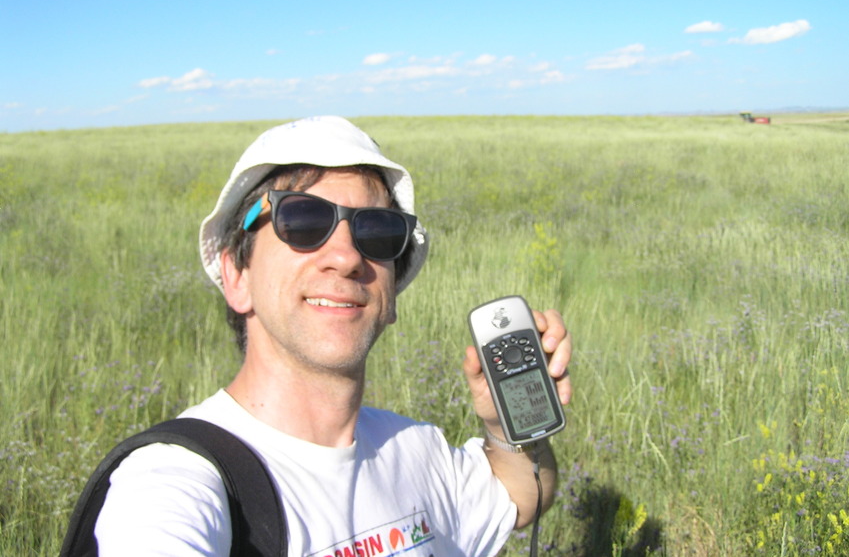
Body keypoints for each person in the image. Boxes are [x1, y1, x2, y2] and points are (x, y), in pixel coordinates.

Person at [93, 116, 573, 556]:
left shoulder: (415, 448)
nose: (346, 257)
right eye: (303, 220)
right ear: (238, 276)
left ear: (392, 293)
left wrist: (504, 428)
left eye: (378, 231)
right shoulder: (181, 478)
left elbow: (517, 496)